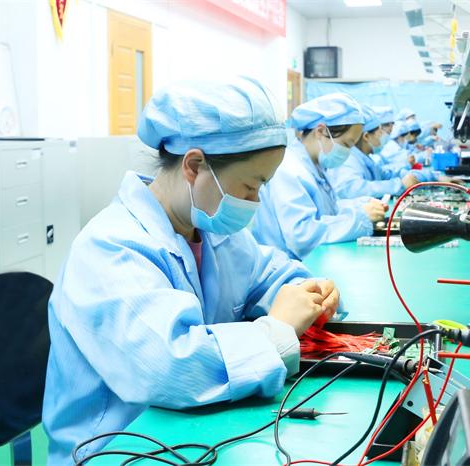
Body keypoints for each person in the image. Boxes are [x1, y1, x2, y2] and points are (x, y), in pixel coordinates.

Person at [42, 77, 341, 465]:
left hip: (194, 436)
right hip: (115, 449)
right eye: (250, 186)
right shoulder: (108, 250)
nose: (255, 201)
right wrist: (276, 331)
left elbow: (268, 274)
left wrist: (308, 290)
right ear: (195, 166)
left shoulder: (213, 231)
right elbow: (170, 366)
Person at [251, 93, 386, 260]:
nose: (348, 152)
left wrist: (360, 206)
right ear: (321, 131)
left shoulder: (314, 166)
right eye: (346, 144)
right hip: (289, 265)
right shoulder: (289, 170)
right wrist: (360, 218)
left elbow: (327, 210)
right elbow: (302, 235)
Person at [328, 104, 419, 199]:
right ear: (366, 136)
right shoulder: (348, 160)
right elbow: (354, 189)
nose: (383, 135)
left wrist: (415, 176)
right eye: (380, 132)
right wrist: (398, 185)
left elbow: (385, 174)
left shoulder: (365, 158)